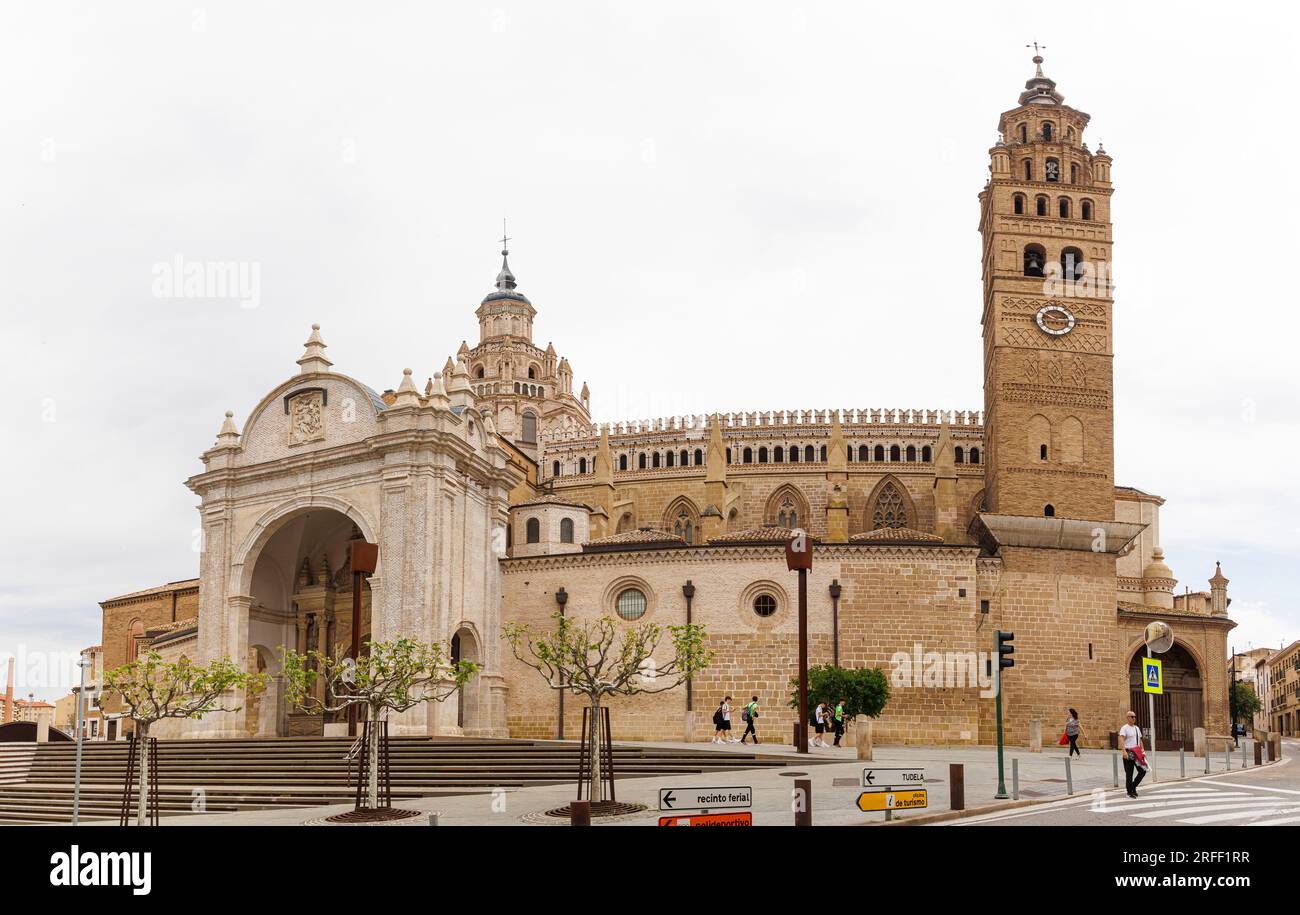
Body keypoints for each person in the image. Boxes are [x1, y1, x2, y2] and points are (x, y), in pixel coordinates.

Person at [1119, 710, 1147, 798]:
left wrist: (1143, 751)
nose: (1134, 718)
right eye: (1132, 716)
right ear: (1127, 718)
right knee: (1129, 773)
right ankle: (1129, 792)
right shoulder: (1124, 728)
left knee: (1142, 771)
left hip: (1137, 752)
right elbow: (1121, 739)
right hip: (1128, 752)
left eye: (1134, 716)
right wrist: (1123, 751)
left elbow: (1140, 740)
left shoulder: (1136, 728)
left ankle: (1133, 786)